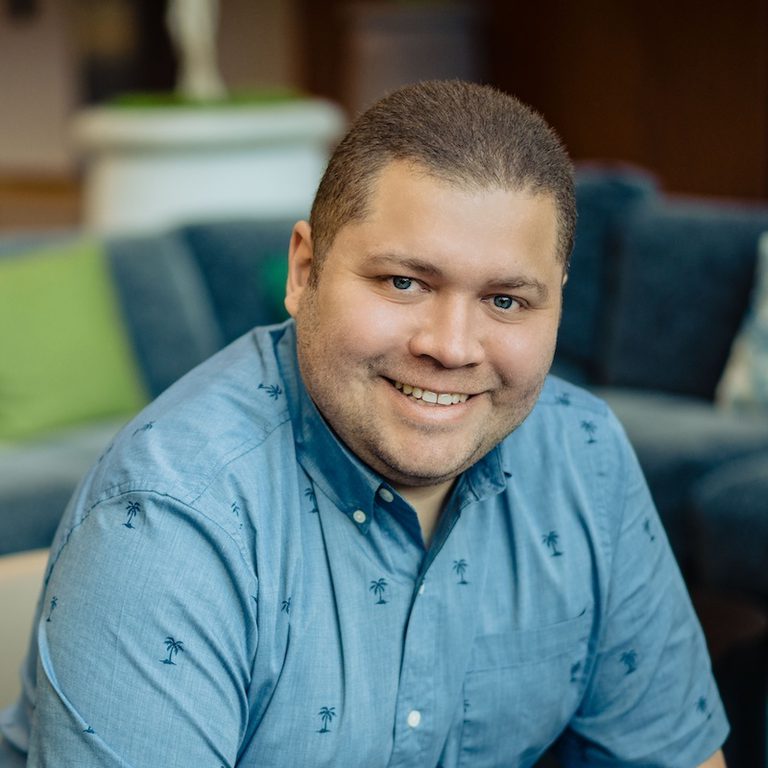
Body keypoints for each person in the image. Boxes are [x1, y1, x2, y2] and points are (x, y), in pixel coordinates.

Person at [0, 81, 728, 767]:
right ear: (303, 270)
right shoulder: (168, 523)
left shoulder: (586, 459)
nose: (450, 345)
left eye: (506, 300)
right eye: (403, 283)